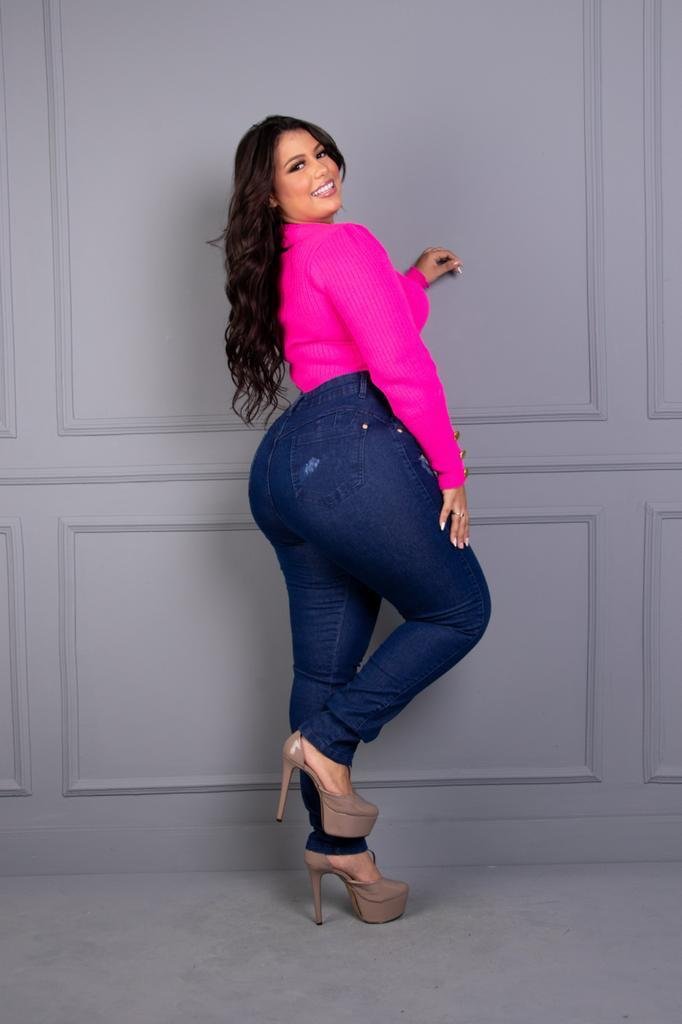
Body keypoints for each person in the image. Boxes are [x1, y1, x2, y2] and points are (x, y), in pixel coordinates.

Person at [210, 114, 492, 925]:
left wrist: (413, 281)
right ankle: (326, 742)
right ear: (271, 194)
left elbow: (369, 324)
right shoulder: (344, 243)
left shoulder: (291, 258)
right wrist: (450, 473)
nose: (321, 167)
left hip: (284, 471)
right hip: (350, 454)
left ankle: (341, 852)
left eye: (321, 152)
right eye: (297, 165)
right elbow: (397, 361)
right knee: (459, 611)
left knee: (323, 670)